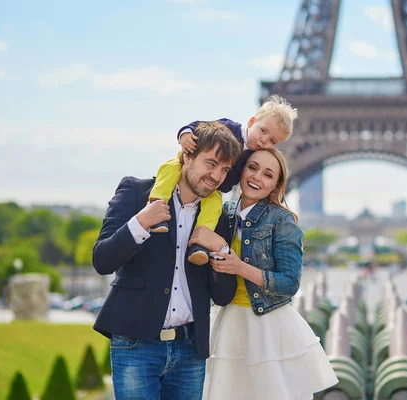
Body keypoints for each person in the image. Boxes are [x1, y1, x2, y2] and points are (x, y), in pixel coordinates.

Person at [92, 121, 242, 400]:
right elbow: (102, 260)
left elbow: (223, 295)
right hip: (136, 345)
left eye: (224, 170)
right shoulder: (138, 193)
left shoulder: (217, 217)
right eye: (210, 163)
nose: (216, 176)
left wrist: (221, 248)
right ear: (187, 156)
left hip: (189, 351)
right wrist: (140, 223)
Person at [189, 148, 338, 400]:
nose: (257, 177)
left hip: (267, 325)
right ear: (242, 169)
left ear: (275, 186)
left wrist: (239, 267)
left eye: (268, 175)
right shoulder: (222, 213)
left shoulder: (282, 221)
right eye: (253, 167)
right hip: (229, 323)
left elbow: (290, 283)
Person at [147, 95, 298, 266]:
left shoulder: (254, 157)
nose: (264, 140)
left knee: (213, 207)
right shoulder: (230, 127)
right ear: (251, 122)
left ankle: (199, 243)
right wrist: (185, 134)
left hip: (213, 189)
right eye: (263, 131)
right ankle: (157, 206)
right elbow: (199, 126)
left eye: (272, 141)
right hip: (183, 164)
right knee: (170, 169)